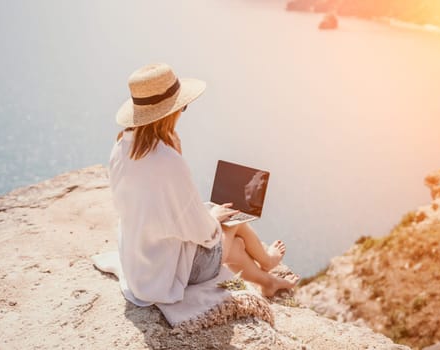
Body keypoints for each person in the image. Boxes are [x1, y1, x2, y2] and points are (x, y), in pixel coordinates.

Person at [109, 63, 299, 306]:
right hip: (162, 275)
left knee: (234, 239)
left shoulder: (120, 148)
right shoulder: (167, 160)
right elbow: (205, 235)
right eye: (182, 107)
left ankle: (268, 281)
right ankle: (269, 262)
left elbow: (153, 205)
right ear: (171, 112)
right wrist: (213, 217)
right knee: (232, 226)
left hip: (138, 261)